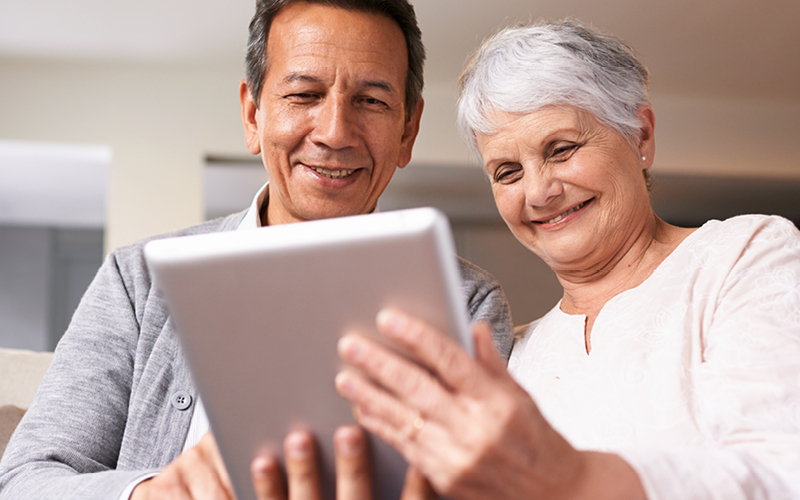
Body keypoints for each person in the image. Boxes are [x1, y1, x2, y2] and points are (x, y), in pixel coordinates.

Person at [0, 1, 514, 499]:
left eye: (372, 101)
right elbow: (27, 480)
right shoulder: (137, 280)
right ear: (253, 114)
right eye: (304, 94)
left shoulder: (468, 303)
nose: (335, 132)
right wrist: (158, 493)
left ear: (408, 129)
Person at [330, 20, 800, 499]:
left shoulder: (743, 257)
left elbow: (781, 475)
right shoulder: (512, 356)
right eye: (508, 172)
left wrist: (568, 479)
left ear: (640, 135)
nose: (538, 192)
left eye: (562, 149)